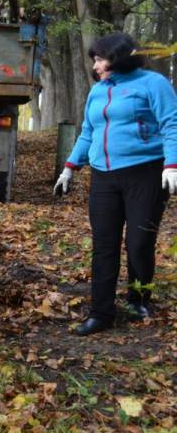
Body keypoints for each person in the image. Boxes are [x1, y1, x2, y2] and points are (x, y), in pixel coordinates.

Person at [54, 32, 177, 336]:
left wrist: (172, 165)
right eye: (94, 59)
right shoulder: (98, 92)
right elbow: (88, 132)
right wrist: (70, 167)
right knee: (104, 244)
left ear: (119, 56)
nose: (95, 65)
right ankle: (101, 312)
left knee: (138, 243)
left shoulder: (153, 83)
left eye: (100, 58)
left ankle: (138, 299)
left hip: (145, 173)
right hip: (103, 176)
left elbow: (172, 123)